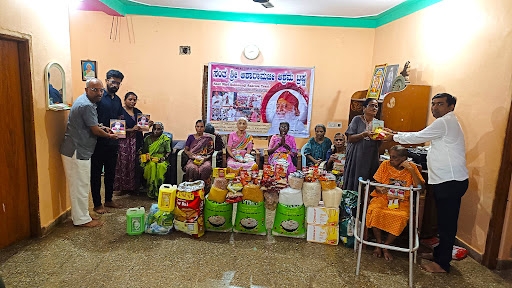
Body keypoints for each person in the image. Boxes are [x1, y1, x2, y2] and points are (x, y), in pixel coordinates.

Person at [384, 93, 468, 273]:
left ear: (451, 107)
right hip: (444, 181)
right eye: (433, 104)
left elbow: (418, 136)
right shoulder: (447, 123)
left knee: (447, 224)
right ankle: (440, 254)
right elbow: (433, 146)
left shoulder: (445, 122)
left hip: (450, 181)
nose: (435, 108)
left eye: (440, 104)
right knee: (441, 222)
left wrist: (395, 136)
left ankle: (442, 264)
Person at [60, 78, 117, 227]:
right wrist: (109, 135)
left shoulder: (84, 101)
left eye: (100, 90)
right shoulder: (86, 105)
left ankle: (81, 215)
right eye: (95, 90)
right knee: (80, 185)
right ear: (87, 90)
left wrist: (102, 127)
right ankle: (81, 220)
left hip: (76, 149)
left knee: (79, 185)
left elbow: (92, 124)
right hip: (77, 150)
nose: (99, 93)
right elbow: (94, 130)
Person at [365, 145, 425, 261]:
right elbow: (376, 182)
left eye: (395, 157)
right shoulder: (385, 165)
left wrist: (411, 170)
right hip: (383, 198)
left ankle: (386, 246)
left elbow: (420, 188)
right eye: (390, 156)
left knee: (401, 217)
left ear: (404, 159)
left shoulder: (412, 167)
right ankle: (378, 244)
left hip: (402, 201)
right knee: (375, 210)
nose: (391, 160)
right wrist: (378, 188)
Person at [90, 69, 125, 214]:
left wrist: (120, 132)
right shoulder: (98, 97)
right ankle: (97, 204)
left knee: (111, 172)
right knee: (96, 173)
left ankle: (109, 199)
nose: (115, 85)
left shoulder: (117, 100)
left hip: (113, 142)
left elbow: (118, 119)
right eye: (113, 82)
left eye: (118, 83)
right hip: (97, 142)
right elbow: (92, 119)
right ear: (107, 81)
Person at [113, 92, 149, 194]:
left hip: (136, 141)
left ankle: (134, 187)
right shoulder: (119, 111)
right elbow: (116, 129)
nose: (132, 102)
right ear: (125, 100)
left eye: (134, 100)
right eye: (130, 99)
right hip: (123, 143)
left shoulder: (138, 112)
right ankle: (123, 188)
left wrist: (148, 124)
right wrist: (130, 129)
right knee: (123, 163)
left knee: (135, 164)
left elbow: (142, 126)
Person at [342, 98, 382, 192]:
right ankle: (353, 201)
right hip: (357, 155)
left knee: (369, 179)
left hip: (371, 155)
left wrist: (383, 135)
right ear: (364, 108)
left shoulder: (378, 123)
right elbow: (350, 138)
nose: (374, 108)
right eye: (372, 105)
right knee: (355, 178)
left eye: (376, 106)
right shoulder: (357, 120)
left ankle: (365, 203)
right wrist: (363, 134)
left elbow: (379, 142)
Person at [140, 122, 171, 199]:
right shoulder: (147, 139)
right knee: (151, 166)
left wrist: (163, 158)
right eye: (154, 129)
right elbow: (144, 151)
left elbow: (168, 151)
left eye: (158, 129)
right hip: (150, 158)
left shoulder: (165, 139)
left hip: (161, 158)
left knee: (160, 166)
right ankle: (151, 190)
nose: (156, 131)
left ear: (162, 130)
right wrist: (145, 157)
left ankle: (159, 191)